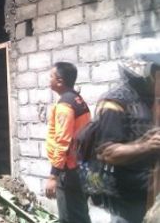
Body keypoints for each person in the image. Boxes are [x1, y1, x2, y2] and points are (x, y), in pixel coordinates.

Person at [95, 39, 160, 223]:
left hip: (153, 196)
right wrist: (147, 145)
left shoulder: (151, 99)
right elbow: (106, 152)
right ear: (146, 70)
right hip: (128, 201)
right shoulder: (115, 102)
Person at [45, 62, 91, 223]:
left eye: (50, 76)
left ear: (59, 81)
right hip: (79, 166)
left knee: (69, 217)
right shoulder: (77, 99)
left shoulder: (65, 105)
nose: (48, 79)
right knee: (79, 214)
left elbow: (62, 141)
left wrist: (53, 175)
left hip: (69, 170)